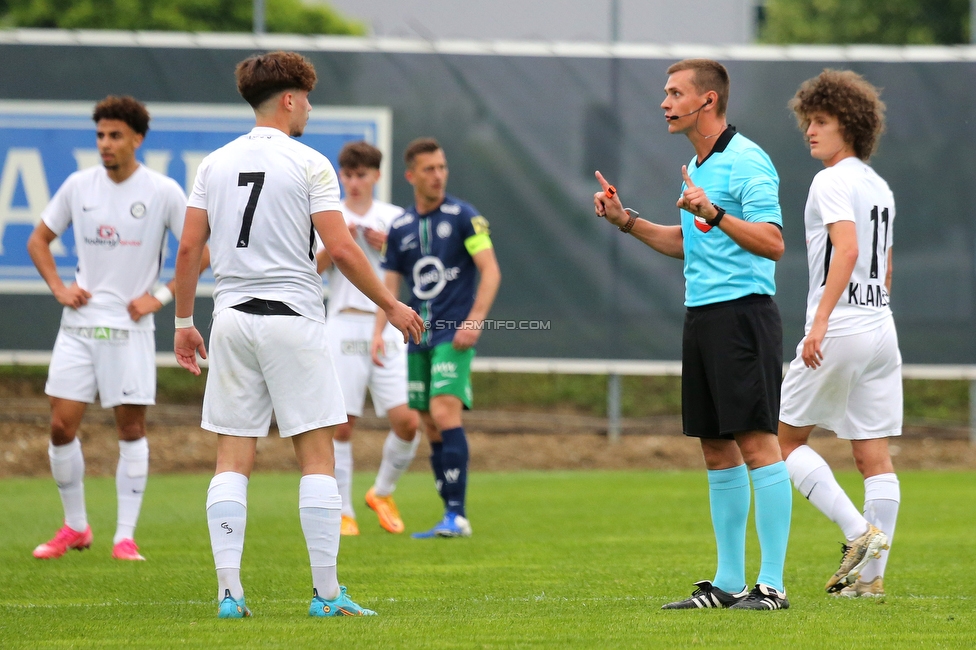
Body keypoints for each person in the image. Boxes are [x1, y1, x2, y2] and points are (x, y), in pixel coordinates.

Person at [172, 51, 424, 619]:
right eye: (307, 98)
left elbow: (190, 248)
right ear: (289, 99)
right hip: (291, 319)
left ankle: (230, 597)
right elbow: (339, 249)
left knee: (232, 459)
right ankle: (328, 596)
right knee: (316, 457)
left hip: (231, 320)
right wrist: (392, 302)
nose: (309, 107)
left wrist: (185, 323)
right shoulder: (310, 163)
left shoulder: (213, 163)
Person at [593, 59, 792, 610]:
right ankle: (729, 584)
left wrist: (716, 210)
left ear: (708, 101)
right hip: (702, 315)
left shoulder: (748, 160)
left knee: (757, 442)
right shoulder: (696, 166)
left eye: (675, 93)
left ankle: (771, 585)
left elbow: (773, 242)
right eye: (664, 93)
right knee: (715, 448)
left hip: (743, 316)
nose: (664, 102)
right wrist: (624, 220)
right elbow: (689, 244)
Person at [26, 95, 205, 563]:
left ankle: (124, 536)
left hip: (129, 330)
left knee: (130, 429)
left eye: (115, 135)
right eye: (100, 135)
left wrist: (159, 297)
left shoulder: (163, 191)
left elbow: (201, 251)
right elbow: (38, 240)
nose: (105, 144)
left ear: (137, 139)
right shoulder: (77, 185)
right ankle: (75, 526)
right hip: (79, 328)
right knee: (61, 427)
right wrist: (60, 288)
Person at [778, 70, 897, 598]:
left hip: (843, 324)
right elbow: (885, 267)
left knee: (782, 442)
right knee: (873, 453)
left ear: (848, 125)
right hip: (880, 328)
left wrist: (822, 320)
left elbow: (846, 251)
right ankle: (869, 583)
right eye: (808, 120)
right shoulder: (879, 186)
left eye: (821, 120)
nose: (810, 130)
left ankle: (857, 534)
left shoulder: (831, 180)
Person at [373, 137, 501, 539]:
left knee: (445, 413)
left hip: (454, 333)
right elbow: (388, 287)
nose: (438, 175)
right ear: (411, 175)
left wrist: (475, 320)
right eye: (429, 169)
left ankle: (458, 515)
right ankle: (450, 513)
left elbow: (491, 270)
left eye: (442, 167)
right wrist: (377, 334)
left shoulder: (464, 216)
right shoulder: (400, 227)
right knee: (428, 423)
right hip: (417, 336)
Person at [315, 141, 421, 536]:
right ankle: (344, 512)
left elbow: (416, 268)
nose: (355, 182)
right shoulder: (329, 215)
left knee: (408, 421)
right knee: (342, 426)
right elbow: (313, 270)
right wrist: (338, 244)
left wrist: (390, 247)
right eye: (349, 175)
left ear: (377, 175)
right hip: (343, 323)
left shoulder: (394, 217)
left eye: (363, 174)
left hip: (387, 325)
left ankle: (382, 491)